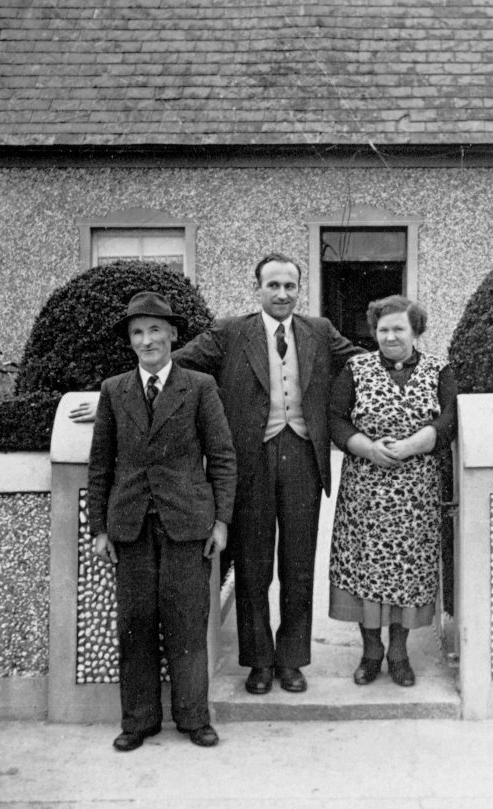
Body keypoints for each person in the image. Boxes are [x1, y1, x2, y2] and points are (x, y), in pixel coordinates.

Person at [171, 253, 361, 696]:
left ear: (299, 289)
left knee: (298, 565)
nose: (282, 294)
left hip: (302, 456)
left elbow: (363, 366)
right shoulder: (230, 332)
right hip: (249, 461)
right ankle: (258, 660)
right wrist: (110, 392)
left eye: (289, 286)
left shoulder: (319, 330)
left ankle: (292, 659)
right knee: (254, 567)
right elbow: (174, 364)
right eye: (273, 285)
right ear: (257, 288)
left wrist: (422, 376)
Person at [87, 291, 237, 752]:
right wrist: (99, 529)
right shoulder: (114, 390)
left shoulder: (199, 386)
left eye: (155, 330)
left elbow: (224, 457)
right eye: (137, 332)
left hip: (189, 523)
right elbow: (100, 466)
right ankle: (138, 720)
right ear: (129, 342)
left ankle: (194, 717)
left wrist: (221, 522)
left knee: (188, 622)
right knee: (135, 622)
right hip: (130, 524)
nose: (147, 340)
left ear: (173, 335)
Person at [327, 295, 457, 687]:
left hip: (416, 494)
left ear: (415, 331)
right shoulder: (356, 368)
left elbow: (450, 417)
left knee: (408, 570)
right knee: (365, 570)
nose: (390, 336)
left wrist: (414, 444)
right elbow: (335, 417)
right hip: (365, 493)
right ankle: (371, 652)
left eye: (399, 328)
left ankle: (399, 652)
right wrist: (367, 447)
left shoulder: (439, 370)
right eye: (383, 330)